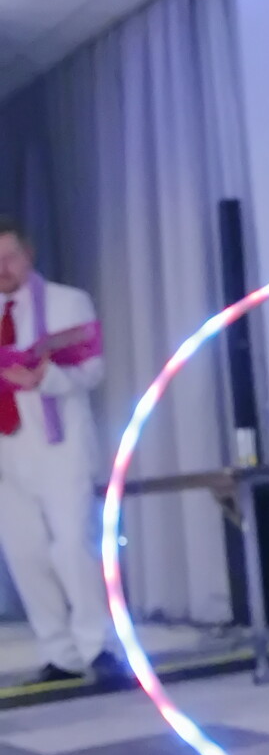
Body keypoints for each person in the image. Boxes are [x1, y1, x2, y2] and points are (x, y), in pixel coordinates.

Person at [0, 220, 125, 687]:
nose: (2, 269)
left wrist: (44, 378)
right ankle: (59, 653)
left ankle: (98, 647)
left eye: (9, 257)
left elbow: (92, 370)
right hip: (6, 451)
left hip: (60, 446)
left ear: (28, 254)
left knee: (72, 546)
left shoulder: (66, 302)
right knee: (24, 553)